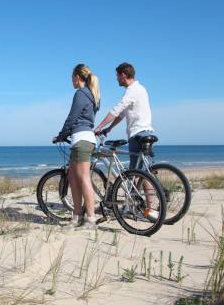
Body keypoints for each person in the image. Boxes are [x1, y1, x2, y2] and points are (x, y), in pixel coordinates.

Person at [53, 64, 101, 229]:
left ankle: (91, 218)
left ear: (77, 77)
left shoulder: (81, 93)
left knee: (83, 178)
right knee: (73, 177)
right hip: (82, 139)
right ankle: (77, 216)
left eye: (72, 78)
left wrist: (61, 135)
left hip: (81, 140)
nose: (71, 81)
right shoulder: (93, 95)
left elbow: (72, 117)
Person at [94, 62, 155, 169]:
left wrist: (99, 127)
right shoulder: (141, 88)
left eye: (117, 76)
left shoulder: (132, 91)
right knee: (145, 171)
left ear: (123, 75)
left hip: (137, 134)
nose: (116, 79)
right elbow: (121, 114)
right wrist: (109, 128)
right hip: (146, 132)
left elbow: (116, 110)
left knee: (134, 173)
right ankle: (153, 186)